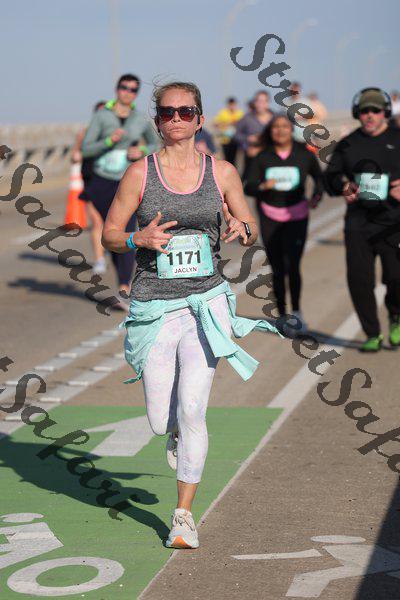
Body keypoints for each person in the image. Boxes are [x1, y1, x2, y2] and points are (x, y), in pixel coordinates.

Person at [102, 81, 282, 549]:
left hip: (206, 301)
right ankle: (174, 433)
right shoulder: (139, 174)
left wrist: (242, 226)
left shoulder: (221, 172)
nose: (177, 119)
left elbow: (249, 225)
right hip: (155, 305)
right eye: (168, 112)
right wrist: (137, 239)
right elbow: (109, 235)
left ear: (200, 119)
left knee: (193, 408)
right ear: (157, 121)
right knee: (160, 419)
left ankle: (183, 516)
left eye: (186, 111)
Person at [325, 87, 400, 351]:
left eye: (375, 110)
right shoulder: (349, 144)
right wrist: (343, 185)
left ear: (385, 113)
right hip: (359, 223)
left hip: (394, 222)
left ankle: (396, 315)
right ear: (357, 113)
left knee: (396, 276)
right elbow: (330, 178)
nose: (370, 115)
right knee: (359, 280)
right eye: (365, 110)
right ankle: (372, 333)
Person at [81, 74, 159, 306]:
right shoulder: (101, 116)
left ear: (136, 94)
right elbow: (85, 148)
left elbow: (156, 144)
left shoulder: (139, 119)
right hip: (101, 180)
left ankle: (125, 286)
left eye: (133, 89)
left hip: (127, 180)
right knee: (111, 233)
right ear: (117, 89)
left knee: (126, 229)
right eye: (124, 87)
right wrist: (108, 141)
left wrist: (141, 150)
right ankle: (123, 280)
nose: (128, 92)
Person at [245, 114, 324, 331]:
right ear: (270, 131)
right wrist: (262, 186)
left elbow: (319, 179)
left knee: (293, 266)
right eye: (275, 127)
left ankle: (297, 312)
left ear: (291, 130)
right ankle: (282, 315)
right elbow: (248, 185)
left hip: (297, 215)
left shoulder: (303, 154)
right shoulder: (262, 156)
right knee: (278, 267)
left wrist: (316, 196)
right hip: (269, 215)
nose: (280, 131)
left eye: (284, 127)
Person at [70, 101, 107, 274]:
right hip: (91, 182)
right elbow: (74, 156)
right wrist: (77, 154)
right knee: (96, 222)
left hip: (114, 184)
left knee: (114, 222)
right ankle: (99, 259)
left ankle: (113, 249)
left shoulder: (119, 135)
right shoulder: (85, 134)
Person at [235, 90, 274, 182]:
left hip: (272, 157)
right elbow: (236, 135)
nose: (260, 104)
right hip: (252, 159)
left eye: (263, 101)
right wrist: (248, 139)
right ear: (254, 103)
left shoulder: (275, 118)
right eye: (258, 101)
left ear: (268, 103)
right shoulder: (247, 118)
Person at [213, 97, 244, 164]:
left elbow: (244, 124)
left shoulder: (240, 113)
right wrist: (225, 124)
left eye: (233, 104)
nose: (232, 106)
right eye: (230, 104)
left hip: (237, 140)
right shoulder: (223, 113)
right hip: (225, 140)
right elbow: (215, 123)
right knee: (227, 159)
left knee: (236, 159)